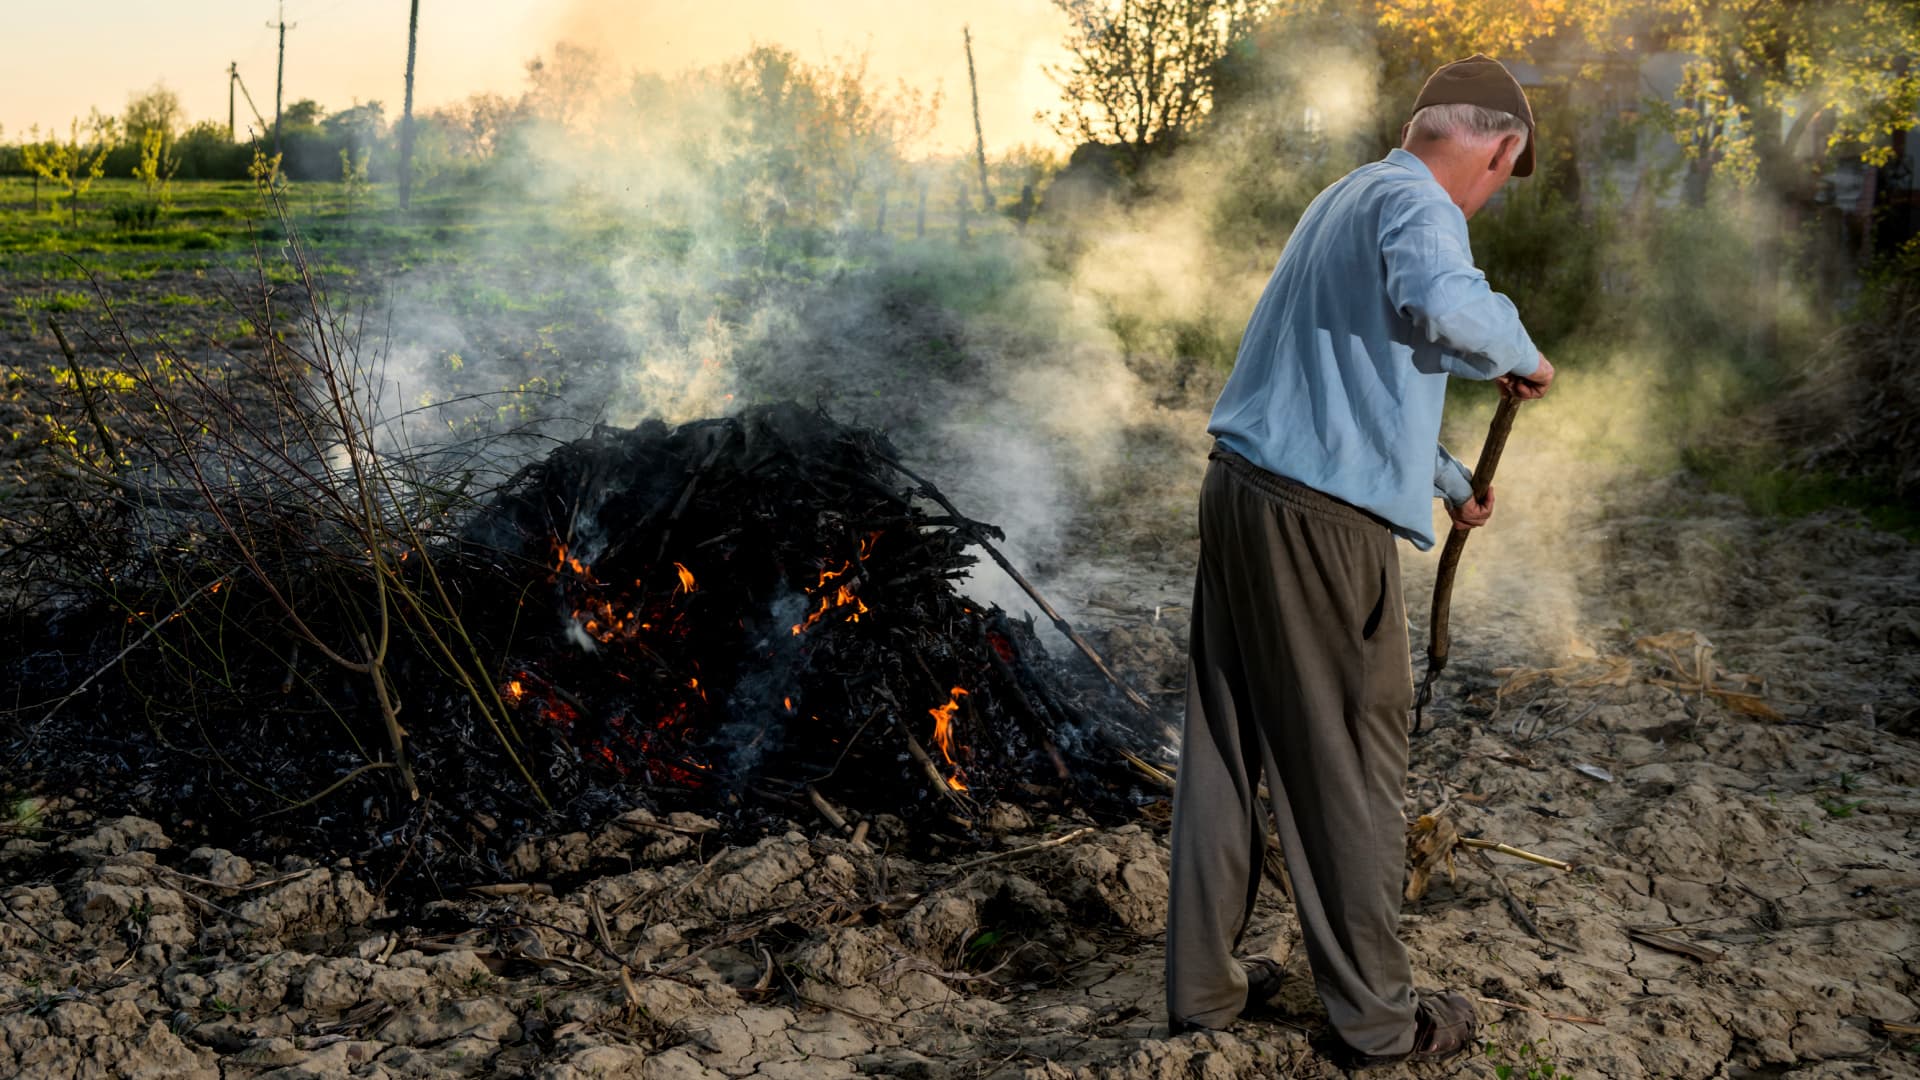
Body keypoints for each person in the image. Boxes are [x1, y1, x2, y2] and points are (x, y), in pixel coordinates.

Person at [1163, 54, 1556, 1067]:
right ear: (1500, 147)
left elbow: (1344, 370)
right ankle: (1382, 1025)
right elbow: (1442, 306)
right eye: (1501, 179)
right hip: (1318, 525)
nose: (1489, 196)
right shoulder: (1423, 207)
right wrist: (1519, 349)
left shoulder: (1346, 197)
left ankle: (1205, 988)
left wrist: (1442, 477)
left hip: (1243, 490)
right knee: (1350, 760)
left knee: (1227, 746)